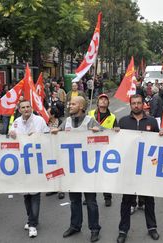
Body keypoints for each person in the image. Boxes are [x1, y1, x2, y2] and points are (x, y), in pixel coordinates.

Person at [51, 96, 101, 242]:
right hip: (71, 169)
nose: (69, 105)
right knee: (74, 200)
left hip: (87, 169)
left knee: (91, 202)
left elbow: (106, 133)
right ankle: (75, 225)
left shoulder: (90, 121)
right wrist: (54, 132)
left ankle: (94, 228)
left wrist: (100, 130)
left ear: (81, 106)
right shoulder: (66, 121)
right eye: (69, 103)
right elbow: (56, 135)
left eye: (72, 104)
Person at [117, 94, 160, 243]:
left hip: (147, 168)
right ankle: (123, 230)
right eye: (133, 103)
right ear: (130, 105)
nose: (136, 105)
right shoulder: (122, 122)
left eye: (138, 103)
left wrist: (162, 135)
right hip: (128, 168)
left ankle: (152, 228)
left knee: (149, 200)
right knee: (126, 201)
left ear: (143, 104)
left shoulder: (152, 122)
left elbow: (159, 144)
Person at [8, 100, 50, 238]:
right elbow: (9, 138)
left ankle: (32, 224)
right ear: (19, 110)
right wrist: (11, 135)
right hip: (22, 163)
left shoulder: (39, 121)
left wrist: (38, 137)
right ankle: (32, 218)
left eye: (28, 107)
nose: (26, 109)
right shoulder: (15, 122)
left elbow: (48, 137)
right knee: (26, 194)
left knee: (35, 194)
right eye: (23, 107)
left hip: (36, 163)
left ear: (31, 108)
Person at [88, 93, 118, 207]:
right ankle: (90, 197)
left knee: (105, 175)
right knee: (91, 173)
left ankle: (107, 197)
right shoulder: (90, 114)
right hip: (91, 147)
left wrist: (116, 129)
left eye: (105, 99)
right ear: (97, 102)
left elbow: (116, 132)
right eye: (101, 99)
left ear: (108, 103)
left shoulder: (113, 117)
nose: (103, 101)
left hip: (106, 148)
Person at [45, 107, 66, 200]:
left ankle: (61, 189)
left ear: (53, 114)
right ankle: (54, 187)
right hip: (49, 148)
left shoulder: (61, 122)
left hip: (59, 148)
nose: (46, 113)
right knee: (51, 168)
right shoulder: (45, 123)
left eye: (48, 112)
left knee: (59, 168)